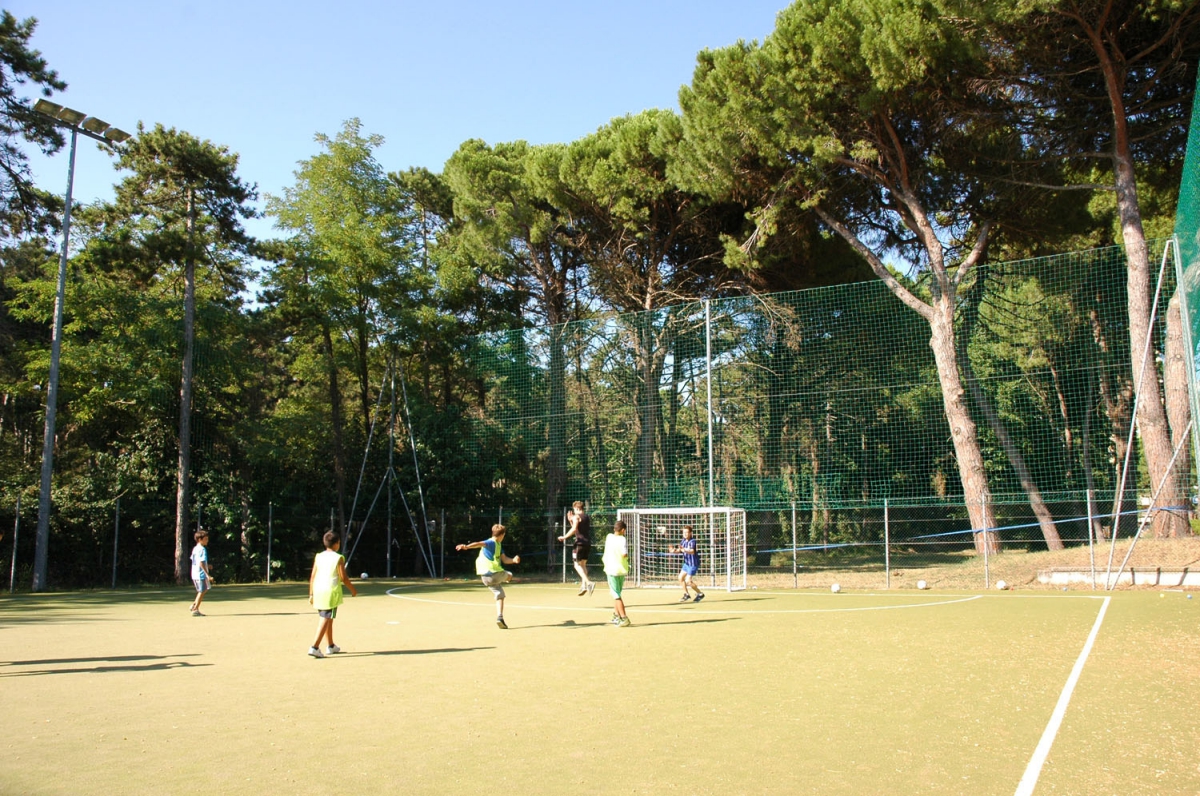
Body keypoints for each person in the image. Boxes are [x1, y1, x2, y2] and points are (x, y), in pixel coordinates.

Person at [457, 524, 521, 629]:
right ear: (502, 535)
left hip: (485, 578)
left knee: (500, 595)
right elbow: (479, 544)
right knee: (510, 575)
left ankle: (500, 618)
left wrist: (513, 560)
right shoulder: (491, 542)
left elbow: (505, 560)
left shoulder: (499, 546)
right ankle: (508, 579)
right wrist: (466, 546)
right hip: (494, 573)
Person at [307, 531, 358, 658]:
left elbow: (312, 576)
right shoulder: (338, 557)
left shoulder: (318, 556)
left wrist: (311, 593)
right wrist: (353, 590)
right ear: (336, 544)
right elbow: (343, 577)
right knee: (325, 619)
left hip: (318, 590)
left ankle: (330, 645)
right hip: (330, 592)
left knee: (328, 618)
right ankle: (314, 647)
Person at [557, 500, 595, 596]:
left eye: (574, 510)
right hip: (587, 543)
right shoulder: (586, 517)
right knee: (583, 565)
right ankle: (584, 585)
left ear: (577, 508)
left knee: (576, 565)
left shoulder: (576, 517)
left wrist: (564, 537)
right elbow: (578, 529)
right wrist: (571, 520)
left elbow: (574, 529)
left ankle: (589, 582)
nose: (573, 512)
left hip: (579, 544)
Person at [602, 519, 631, 627]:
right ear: (623, 530)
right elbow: (624, 554)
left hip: (612, 570)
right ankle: (616, 615)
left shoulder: (609, 537)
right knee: (617, 593)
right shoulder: (623, 539)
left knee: (616, 595)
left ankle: (624, 618)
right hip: (621, 570)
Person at [668, 525, 705, 603]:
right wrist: (674, 551)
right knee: (680, 578)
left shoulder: (692, 541)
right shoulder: (683, 541)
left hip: (693, 564)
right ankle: (686, 594)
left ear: (690, 533)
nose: (685, 534)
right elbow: (680, 550)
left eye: (687, 532)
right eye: (684, 532)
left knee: (688, 581)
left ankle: (700, 593)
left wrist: (683, 549)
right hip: (686, 564)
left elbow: (692, 551)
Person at [188, 530, 214, 616]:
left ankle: (194, 605)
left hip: (195, 573)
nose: (207, 540)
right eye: (206, 539)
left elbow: (196, 560)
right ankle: (195, 609)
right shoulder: (202, 549)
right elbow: (201, 562)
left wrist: (208, 565)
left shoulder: (195, 548)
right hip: (200, 574)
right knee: (202, 590)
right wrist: (208, 575)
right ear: (200, 539)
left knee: (203, 589)